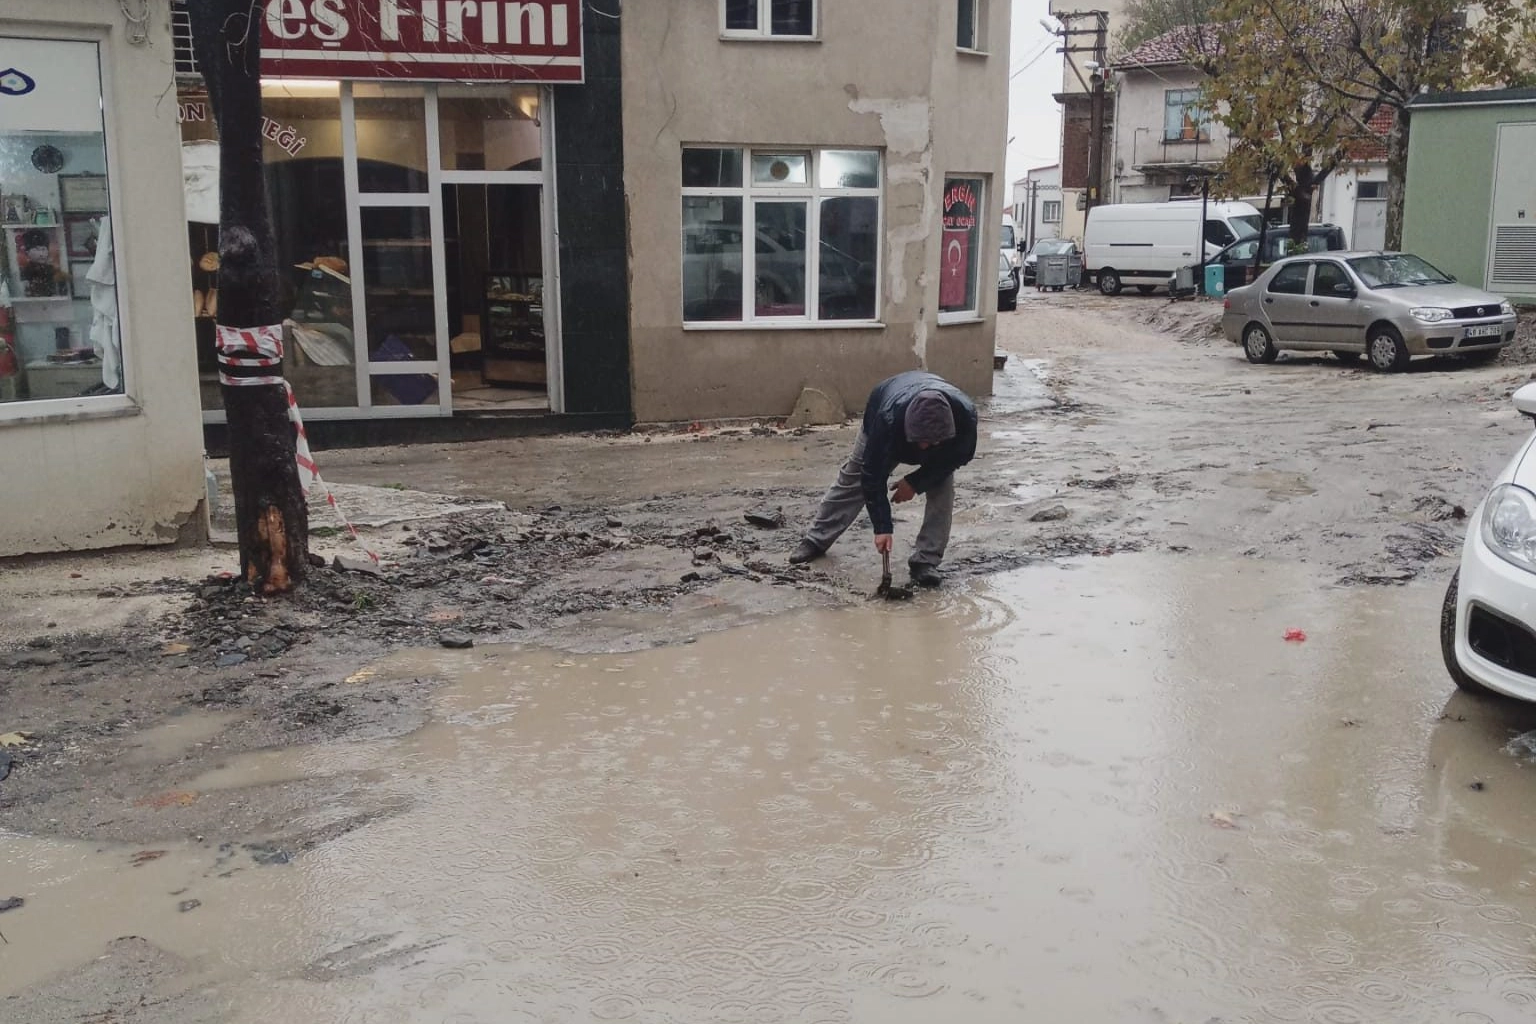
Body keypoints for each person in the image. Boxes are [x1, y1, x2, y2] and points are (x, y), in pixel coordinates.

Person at [789, 370, 978, 587]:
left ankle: (926, 561)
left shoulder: (966, 417)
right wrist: (882, 527)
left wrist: (916, 482)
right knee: (854, 477)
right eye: (921, 442)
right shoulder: (887, 420)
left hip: (938, 431)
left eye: (932, 442)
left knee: (942, 486)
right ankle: (816, 539)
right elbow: (871, 475)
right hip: (885, 408)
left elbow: (960, 456)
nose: (925, 448)